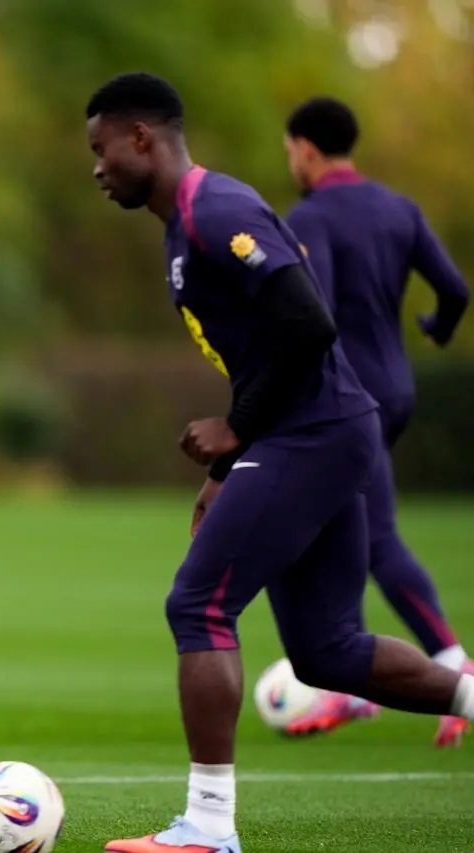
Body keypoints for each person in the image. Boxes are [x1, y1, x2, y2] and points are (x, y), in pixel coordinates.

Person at [83, 72, 474, 853]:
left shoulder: (214, 209)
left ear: (140, 139)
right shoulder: (180, 224)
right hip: (315, 434)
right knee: (326, 650)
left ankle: (208, 829)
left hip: (317, 433)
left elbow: (309, 322)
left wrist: (239, 428)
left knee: (197, 605)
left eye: (100, 149)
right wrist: (227, 467)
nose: (95, 168)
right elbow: (268, 347)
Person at [281, 95, 471, 746]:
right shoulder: (398, 208)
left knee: (378, 538)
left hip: (348, 399)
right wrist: (435, 330)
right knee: (344, 533)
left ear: (305, 147)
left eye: (289, 151)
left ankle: (455, 668)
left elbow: (316, 312)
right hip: (397, 385)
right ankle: (355, 687)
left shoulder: (310, 215)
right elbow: (456, 290)